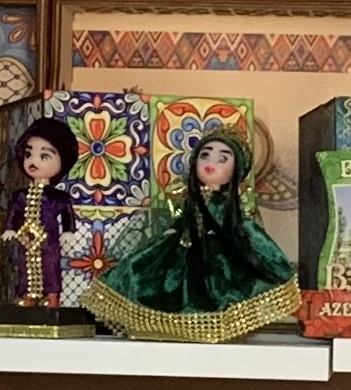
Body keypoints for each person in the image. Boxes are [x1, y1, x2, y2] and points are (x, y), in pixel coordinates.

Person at [87, 122, 299, 344]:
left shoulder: (228, 208)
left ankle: (212, 327)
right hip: (181, 247)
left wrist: (272, 262)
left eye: (222, 159)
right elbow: (177, 221)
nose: (210, 163)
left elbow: (250, 233)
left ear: (236, 171)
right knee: (142, 272)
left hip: (216, 259)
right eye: (205, 155)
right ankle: (168, 327)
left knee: (215, 291)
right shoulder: (186, 198)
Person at [0, 114, 94, 330]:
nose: (33, 161)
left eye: (44, 156)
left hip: (49, 240)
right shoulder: (21, 195)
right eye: (29, 154)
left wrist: (68, 231)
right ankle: (28, 295)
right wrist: (10, 228)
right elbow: (14, 213)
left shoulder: (58, 197)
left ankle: (52, 296)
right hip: (26, 240)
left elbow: (67, 215)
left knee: (50, 266)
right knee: (25, 266)